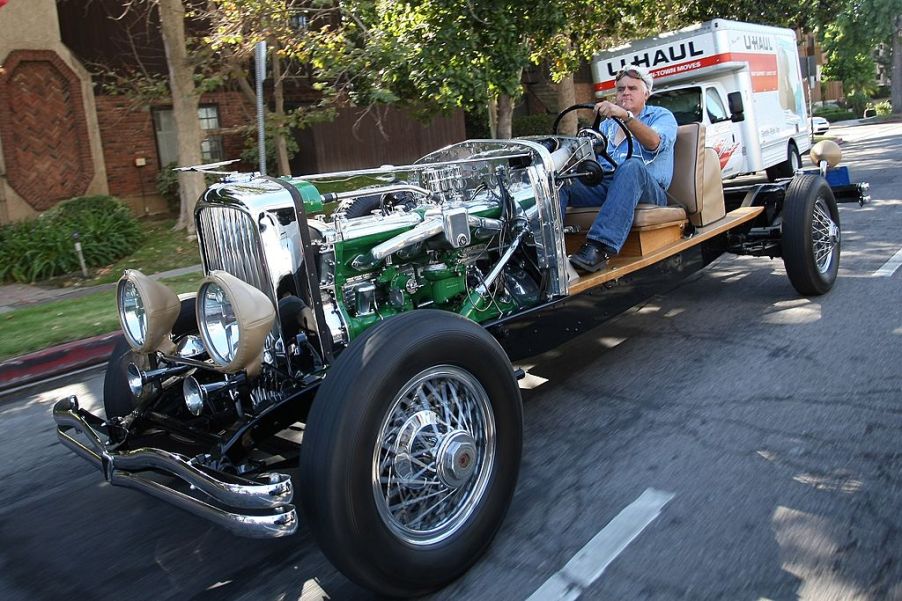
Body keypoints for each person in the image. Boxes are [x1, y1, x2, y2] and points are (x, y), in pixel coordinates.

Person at [562, 65, 678, 272]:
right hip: (609, 186)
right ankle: (542, 248)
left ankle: (598, 248)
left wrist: (626, 116)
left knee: (631, 167)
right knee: (562, 180)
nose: (625, 93)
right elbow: (590, 162)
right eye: (620, 89)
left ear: (646, 94)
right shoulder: (606, 125)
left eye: (632, 88)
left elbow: (654, 143)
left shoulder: (661, 116)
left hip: (649, 190)